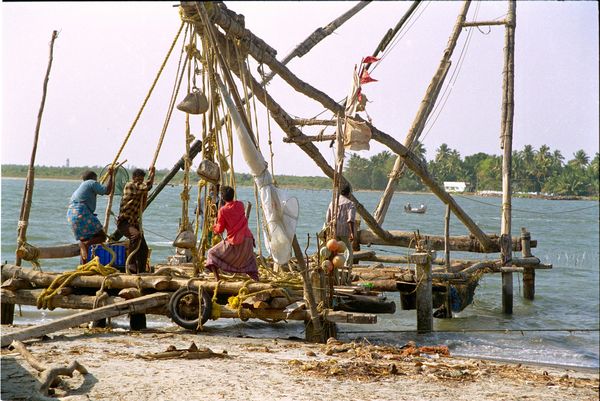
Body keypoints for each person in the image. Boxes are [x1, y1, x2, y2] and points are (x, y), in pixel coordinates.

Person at [205, 186, 258, 281]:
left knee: (211, 253)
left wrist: (214, 227)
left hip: (236, 242)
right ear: (233, 195)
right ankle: (256, 280)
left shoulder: (223, 210)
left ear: (222, 197)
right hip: (248, 240)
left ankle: (217, 279)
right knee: (249, 261)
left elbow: (220, 229)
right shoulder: (240, 205)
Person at [67, 168, 114, 264]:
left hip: (71, 214)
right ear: (93, 178)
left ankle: (83, 266)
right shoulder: (91, 183)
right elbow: (107, 191)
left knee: (87, 238)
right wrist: (111, 175)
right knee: (101, 236)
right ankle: (84, 244)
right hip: (81, 212)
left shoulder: (83, 186)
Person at [116, 167, 155, 274]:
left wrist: (151, 176)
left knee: (144, 249)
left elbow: (145, 191)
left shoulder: (140, 189)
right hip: (124, 222)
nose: (140, 182)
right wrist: (152, 175)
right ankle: (130, 263)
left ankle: (141, 271)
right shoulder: (130, 186)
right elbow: (148, 186)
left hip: (133, 223)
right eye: (138, 179)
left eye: (141, 180)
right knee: (136, 236)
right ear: (133, 178)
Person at [325, 183, 356, 267]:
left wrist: (329, 227)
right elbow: (350, 220)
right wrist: (352, 233)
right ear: (349, 193)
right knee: (348, 249)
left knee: (335, 249)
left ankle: (335, 266)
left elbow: (328, 217)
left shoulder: (333, 202)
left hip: (334, 229)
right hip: (345, 230)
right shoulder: (350, 204)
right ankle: (347, 266)